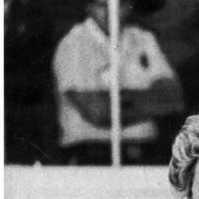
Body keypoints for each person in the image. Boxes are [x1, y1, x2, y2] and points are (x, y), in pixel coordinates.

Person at [52, 0, 184, 164]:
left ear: (130, 6)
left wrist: (113, 100)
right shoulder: (73, 44)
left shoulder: (144, 39)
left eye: (118, 5)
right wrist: (147, 101)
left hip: (144, 153)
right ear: (88, 7)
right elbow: (98, 112)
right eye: (101, 5)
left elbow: (172, 100)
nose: (110, 12)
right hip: (91, 156)